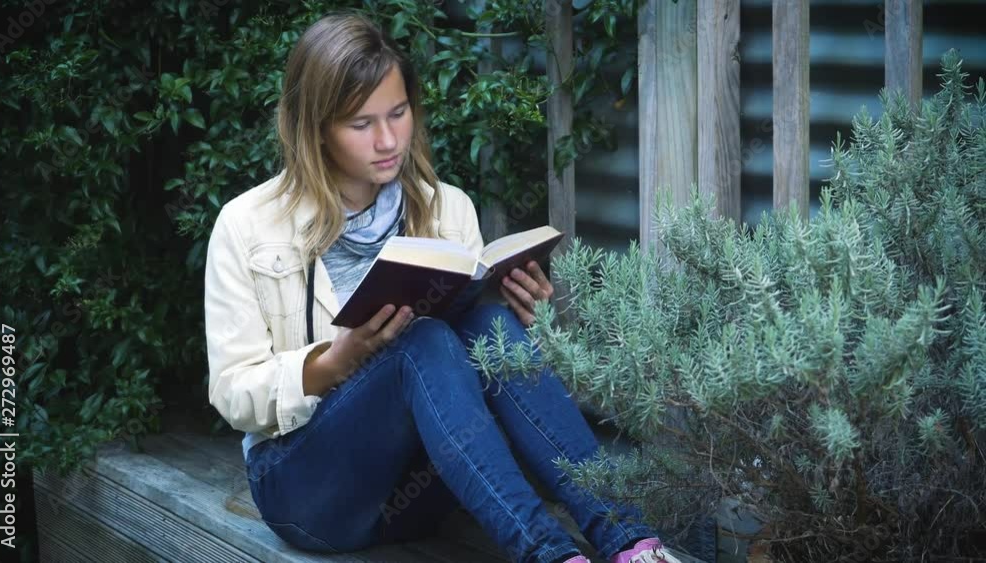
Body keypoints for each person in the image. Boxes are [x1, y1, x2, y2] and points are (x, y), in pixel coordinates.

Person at [203, 11, 681, 563]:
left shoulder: (446, 207)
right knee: (423, 342)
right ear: (316, 128)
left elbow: (465, 387)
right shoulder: (248, 225)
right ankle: (550, 555)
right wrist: (332, 364)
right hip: (310, 492)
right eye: (361, 124)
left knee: (488, 323)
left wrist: (524, 320)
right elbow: (234, 392)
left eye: (399, 113)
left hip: (426, 486)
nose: (388, 140)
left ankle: (631, 542)